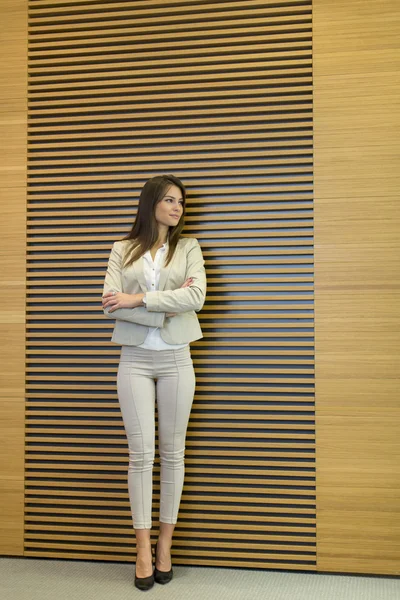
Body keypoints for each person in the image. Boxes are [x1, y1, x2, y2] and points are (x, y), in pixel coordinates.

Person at [101, 174, 206, 591]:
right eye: (169, 200)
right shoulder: (121, 249)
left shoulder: (190, 247)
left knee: (173, 454)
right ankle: (142, 548)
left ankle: (165, 545)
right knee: (140, 455)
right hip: (134, 360)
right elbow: (110, 304)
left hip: (178, 359)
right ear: (151, 204)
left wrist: (139, 299)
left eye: (180, 201)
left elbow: (196, 298)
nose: (177, 207)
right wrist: (165, 306)